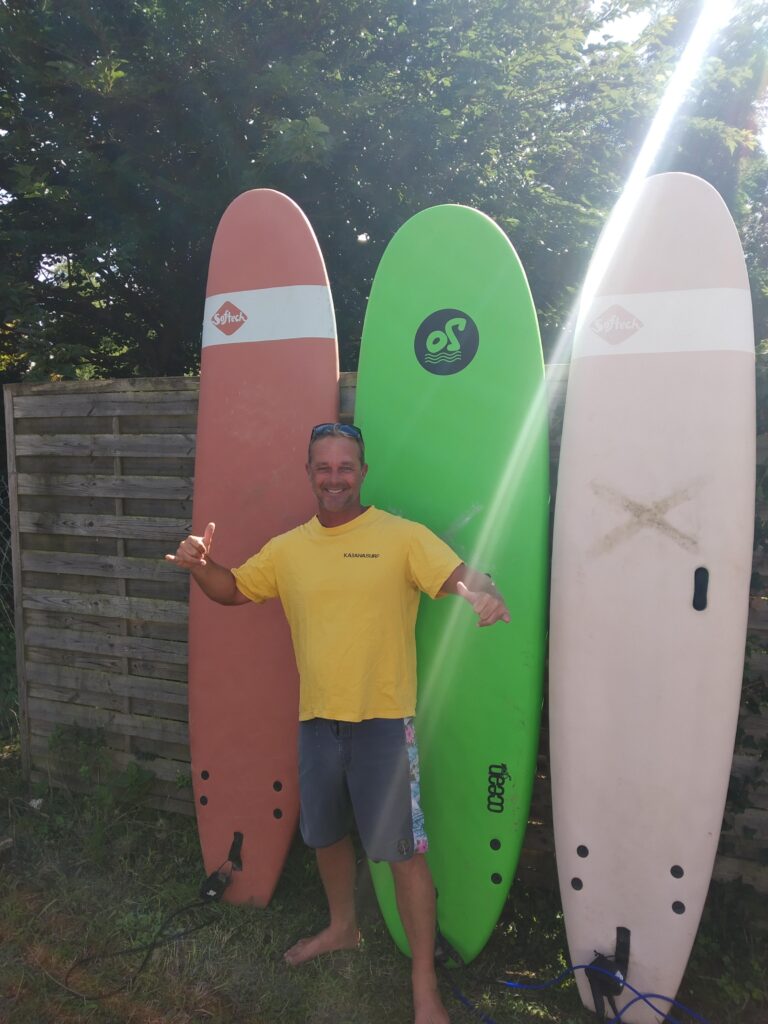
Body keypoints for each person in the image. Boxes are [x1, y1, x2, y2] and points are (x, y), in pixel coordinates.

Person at [166, 422, 510, 1024]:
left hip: (382, 725)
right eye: (322, 467)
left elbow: (459, 575)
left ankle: (423, 984)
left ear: (362, 472)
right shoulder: (288, 549)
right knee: (325, 836)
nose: (333, 478)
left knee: (402, 852)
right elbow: (231, 591)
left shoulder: (400, 537)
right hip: (316, 723)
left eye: (344, 466)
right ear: (308, 473)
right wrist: (200, 564)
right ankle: (343, 928)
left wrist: (482, 592)